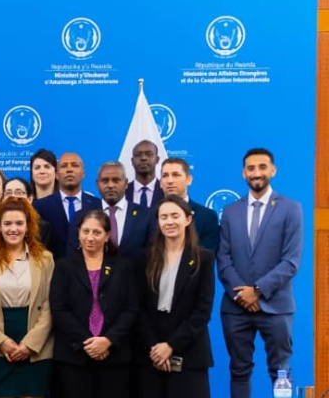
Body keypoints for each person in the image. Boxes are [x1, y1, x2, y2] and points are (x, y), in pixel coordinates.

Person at [217, 148, 302, 398]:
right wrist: (243, 295)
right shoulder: (231, 211)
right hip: (236, 308)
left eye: (262, 167)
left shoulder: (291, 209)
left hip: (276, 307)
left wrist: (257, 291)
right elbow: (223, 259)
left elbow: (291, 261)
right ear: (244, 173)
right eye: (251, 168)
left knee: (281, 372)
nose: (257, 173)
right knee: (239, 371)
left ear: (272, 170)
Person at [49, 209, 139, 398]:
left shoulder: (124, 267)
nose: (90, 237)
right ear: (79, 233)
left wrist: (108, 340)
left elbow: (130, 308)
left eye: (97, 232)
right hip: (73, 357)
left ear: (107, 236)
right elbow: (58, 308)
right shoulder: (63, 266)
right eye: (85, 231)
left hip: (114, 357)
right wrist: (88, 343)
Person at [0, 197, 55, 398]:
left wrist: (30, 344)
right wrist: (1, 342)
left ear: (28, 227)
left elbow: (50, 305)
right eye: (7, 223)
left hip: (35, 348)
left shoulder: (45, 259)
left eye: (19, 223)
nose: (13, 229)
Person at [138, 195, 215, 398]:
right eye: (163, 217)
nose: (169, 222)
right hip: (151, 353)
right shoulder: (145, 258)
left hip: (190, 352)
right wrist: (155, 348)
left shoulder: (203, 258)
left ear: (188, 219)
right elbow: (139, 307)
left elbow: (202, 311)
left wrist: (171, 346)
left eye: (175, 216)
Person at [66, 161, 154, 267]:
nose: (111, 185)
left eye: (116, 180)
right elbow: (72, 257)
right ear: (97, 184)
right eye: (105, 181)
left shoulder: (145, 215)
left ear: (126, 183)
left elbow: (151, 256)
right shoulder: (81, 216)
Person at [32, 152, 99, 260]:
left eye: (75, 165)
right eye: (64, 166)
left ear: (83, 173)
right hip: (53, 272)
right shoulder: (40, 206)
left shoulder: (97, 205)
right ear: (57, 174)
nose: (69, 170)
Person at [158, 158, 219, 253]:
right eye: (165, 176)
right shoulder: (150, 216)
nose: (170, 181)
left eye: (176, 175)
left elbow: (207, 256)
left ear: (189, 180)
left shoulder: (207, 216)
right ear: (160, 183)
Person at [126, 140, 164, 209]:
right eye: (138, 155)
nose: (143, 158)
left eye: (149, 154)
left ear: (157, 159)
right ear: (132, 161)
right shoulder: (123, 192)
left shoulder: (165, 191)